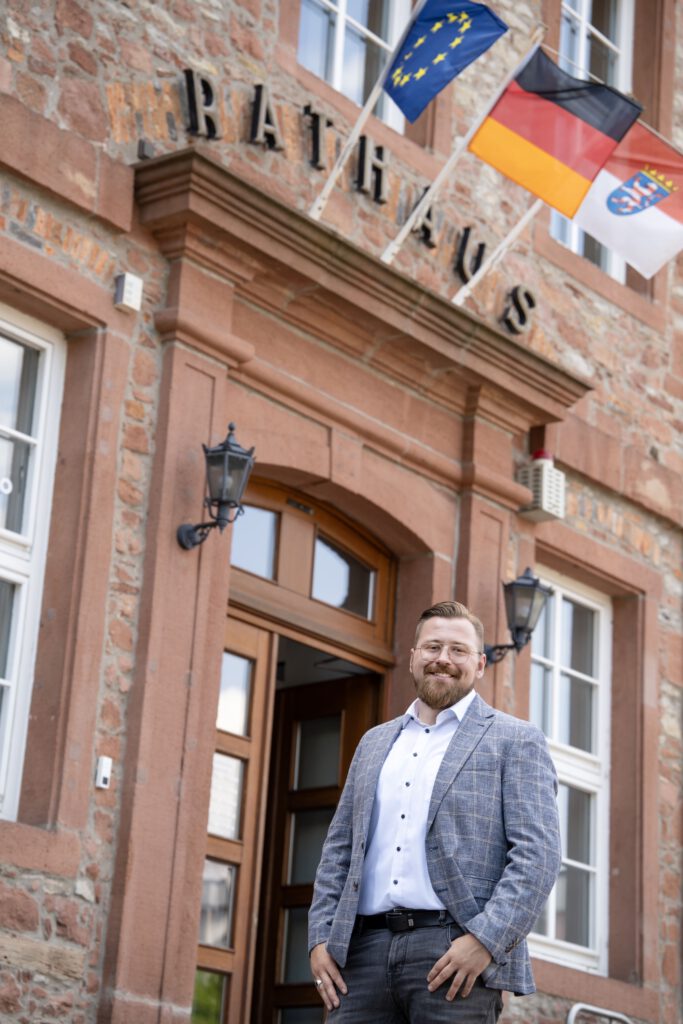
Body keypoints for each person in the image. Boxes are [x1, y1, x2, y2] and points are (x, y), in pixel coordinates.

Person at [308, 600, 562, 1023]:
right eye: (432, 647)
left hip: (453, 951)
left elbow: (538, 856)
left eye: (458, 650)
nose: (443, 659)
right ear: (413, 658)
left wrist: (485, 941)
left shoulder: (515, 740)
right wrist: (319, 939)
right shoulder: (374, 742)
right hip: (361, 955)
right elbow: (339, 849)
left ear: (480, 664)